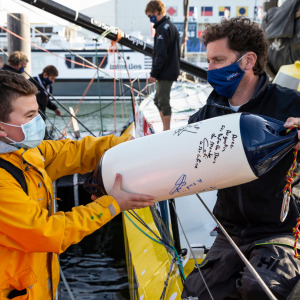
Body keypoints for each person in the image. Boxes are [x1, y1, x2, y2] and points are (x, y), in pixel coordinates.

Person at [0, 70, 154, 299]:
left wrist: (125, 145)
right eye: (30, 116)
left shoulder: (26, 152)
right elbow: (46, 233)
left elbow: (76, 152)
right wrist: (111, 205)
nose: (38, 122)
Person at [181, 17, 300, 300]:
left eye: (218, 60)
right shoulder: (203, 118)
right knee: (197, 293)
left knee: (260, 288)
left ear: (248, 61)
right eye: (208, 61)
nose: (209, 69)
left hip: (280, 229)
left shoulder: (291, 104)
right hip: (230, 231)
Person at [145, 0, 180, 131]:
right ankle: (165, 128)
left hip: (166, 72)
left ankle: (166, 131)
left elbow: (161, 54)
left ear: (156, 12)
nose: (150, 19)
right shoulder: (168, 26)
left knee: (163, 101)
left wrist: (154, 74)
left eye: (150, 16)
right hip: (168, 70)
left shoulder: (163, 28)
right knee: (157, 100)